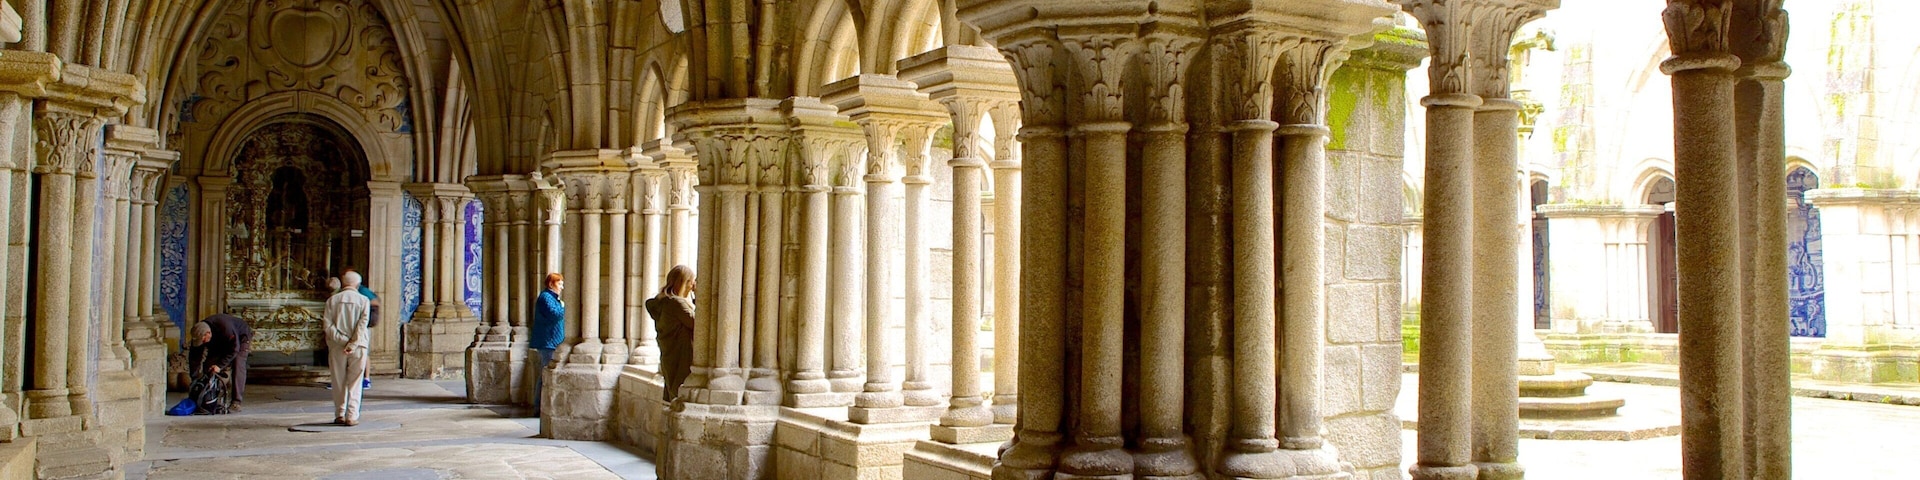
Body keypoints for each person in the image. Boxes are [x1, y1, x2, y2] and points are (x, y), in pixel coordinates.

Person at [324, 271, 372, 426]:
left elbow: (328, 326)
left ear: (343, 283)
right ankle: (351, 415)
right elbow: (362, 325)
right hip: (358, 346)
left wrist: (343, 341)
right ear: (357, 284)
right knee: (355, 381)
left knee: (338, 380)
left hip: (337, 346)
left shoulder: (332, 300)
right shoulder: (364, 300)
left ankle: (339, 413)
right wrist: (352, 343)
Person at [645, 265, 696, 402]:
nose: (693, 285)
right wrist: (698, 297)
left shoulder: (662, 302)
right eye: (692, 281)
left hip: (669, 356)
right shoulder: (677, 304)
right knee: (681, 394)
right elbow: (697, 324)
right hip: (681, 356)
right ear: (686, 283)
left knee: (672, 392)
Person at [189, 313, 254, 409]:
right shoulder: (200, 332)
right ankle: (210, 397)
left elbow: (234, 349)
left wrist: (219, 366)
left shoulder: (225, 326)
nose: (202, 343)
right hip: (220, 340)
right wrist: (194, 380)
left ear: (208, 334)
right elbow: (195, 358)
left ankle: (236, 401)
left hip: (240, 338)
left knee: (238, 365)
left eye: (203, 341)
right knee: (209, 365)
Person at [529, 272, 566, 414]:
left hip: (552, 340)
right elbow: (555, 314)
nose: (562, 287)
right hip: (548, 342)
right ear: (551, 284)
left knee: (544, 372)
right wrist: (562, 306)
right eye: (559, 283)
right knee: (545, 372)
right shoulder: (546, 297)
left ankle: (540, 406)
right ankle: (539, 407)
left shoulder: (551, 298)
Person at [341, 267, 378, 390]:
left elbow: (375, 302)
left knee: (363, 353)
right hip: (351, 327)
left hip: (360, 327)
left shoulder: (362, 291)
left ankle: (366, 379)